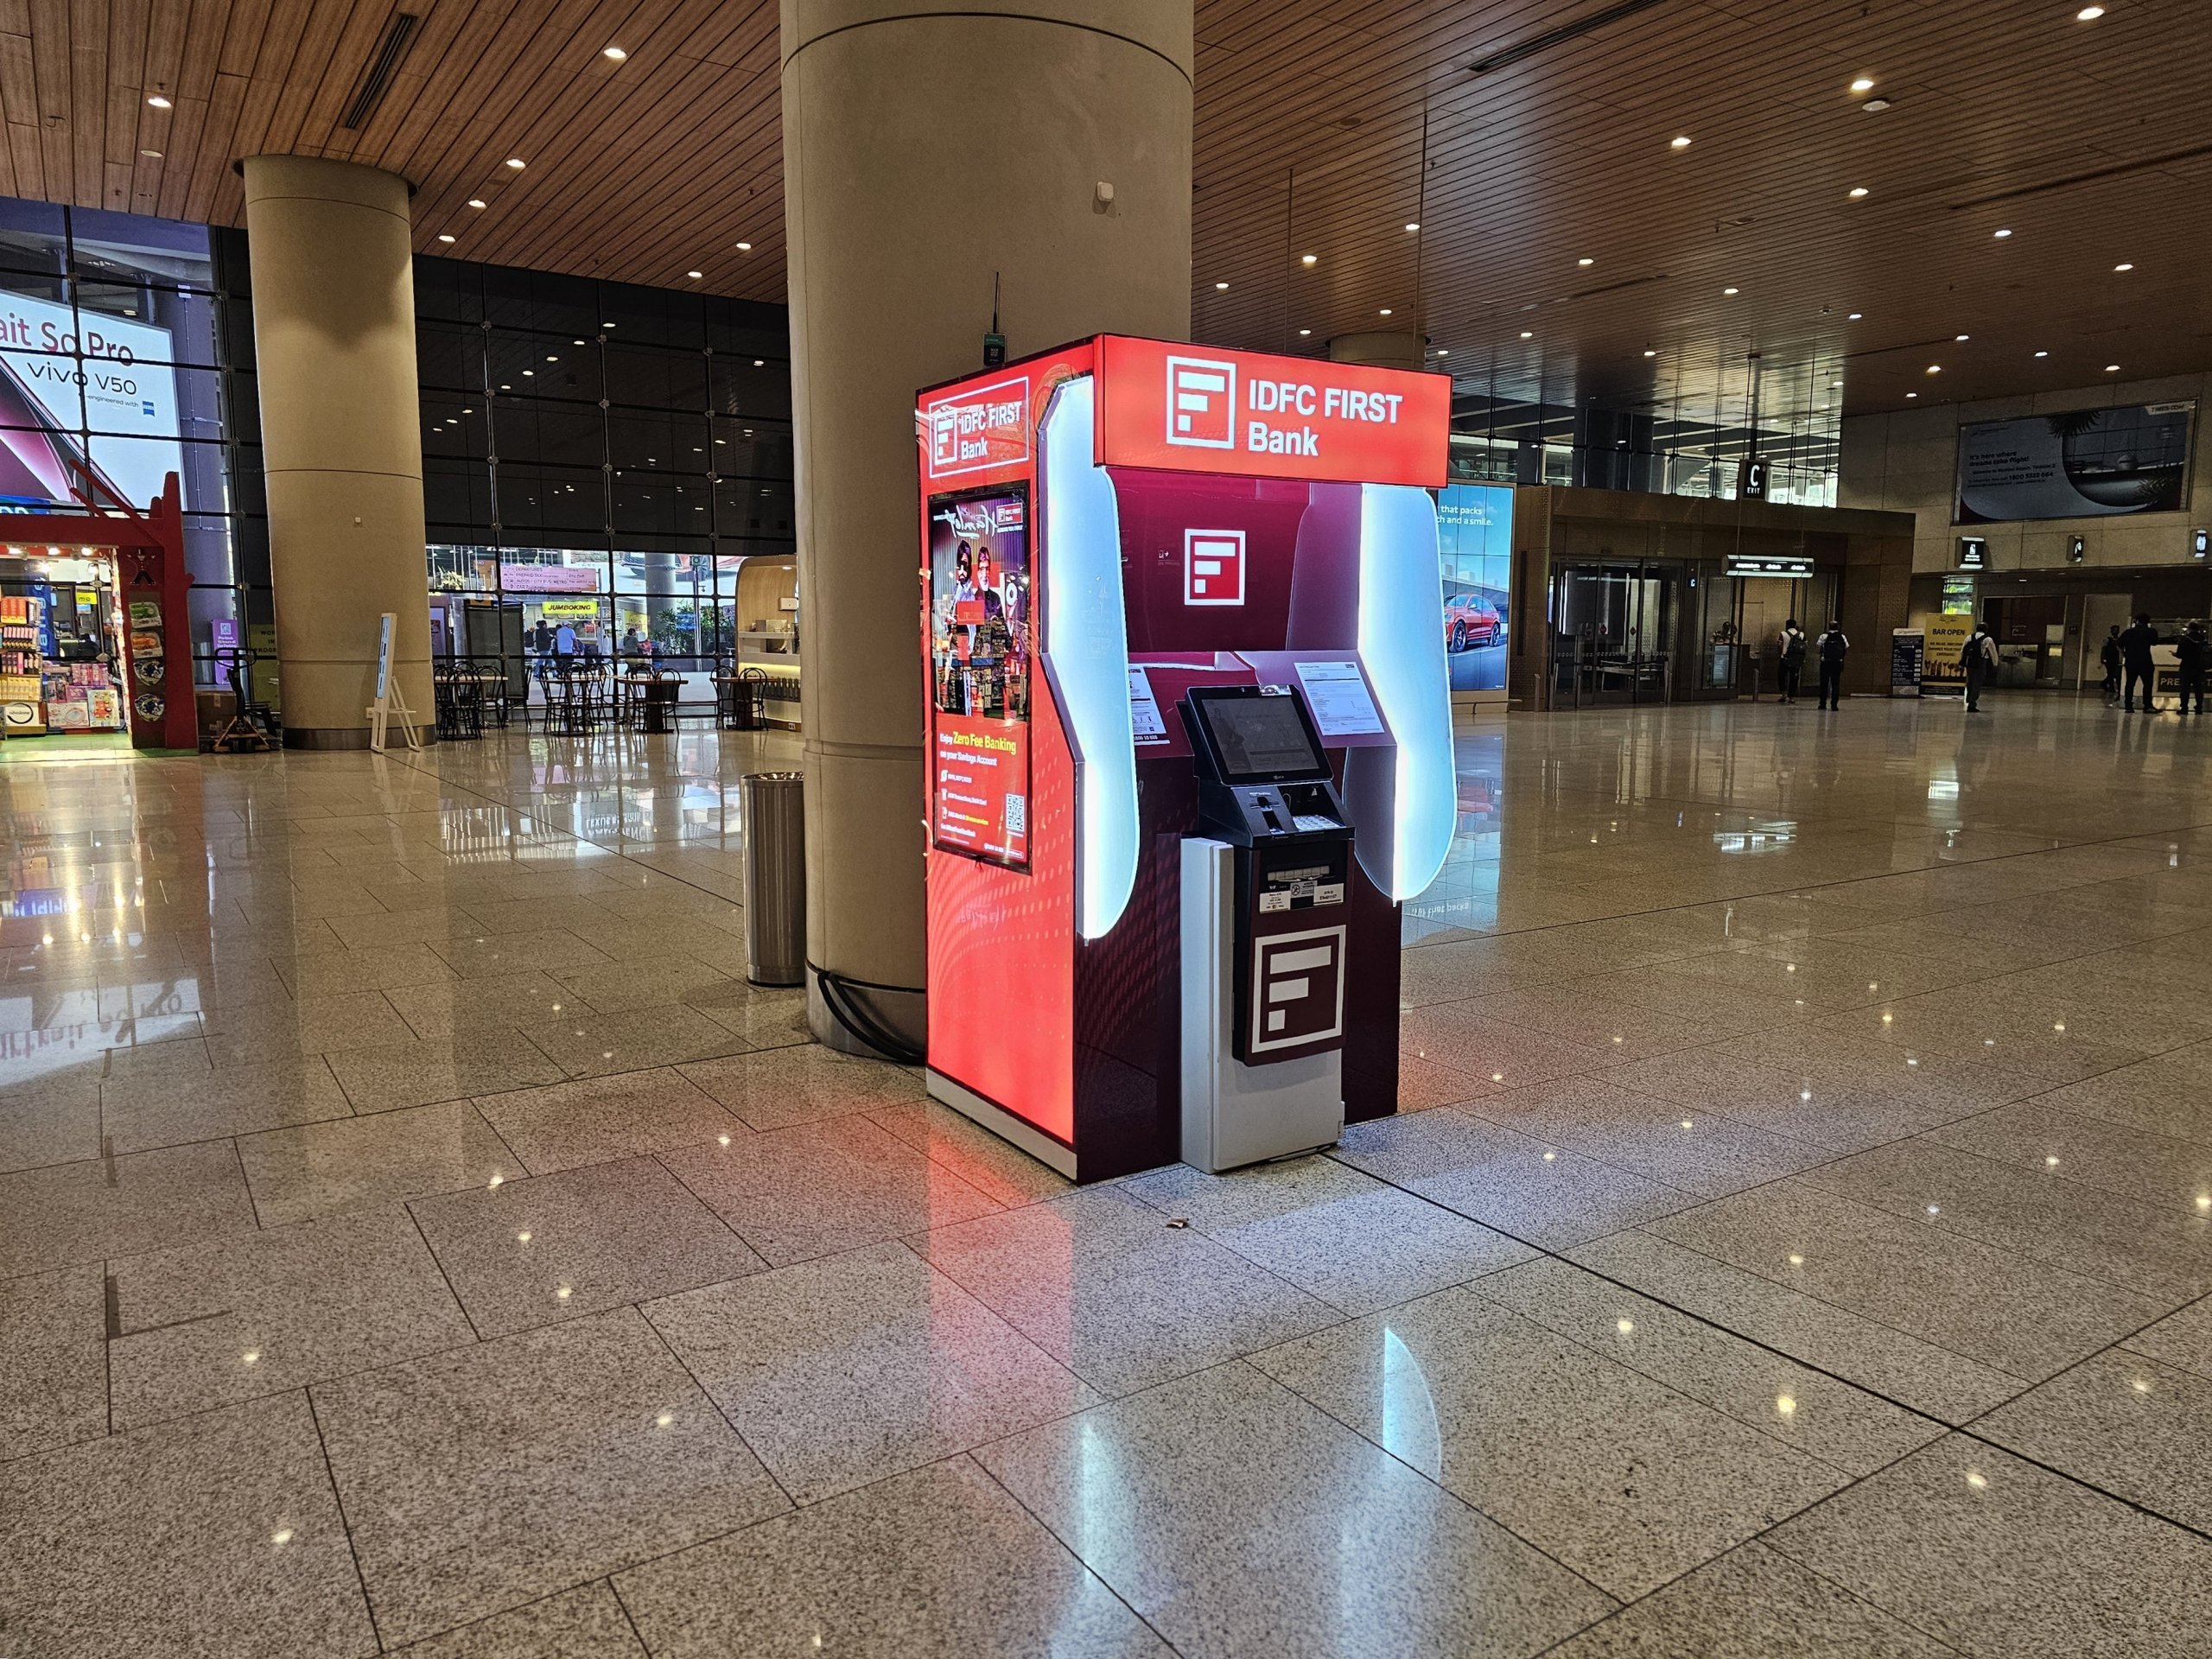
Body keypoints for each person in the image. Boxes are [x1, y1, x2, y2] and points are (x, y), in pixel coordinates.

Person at [2118, 613, 2162, 713]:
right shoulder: (2151, 631)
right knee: (2147, 684)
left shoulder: (2128, 632)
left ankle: (2128, 706)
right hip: (2145, 660)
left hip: (2131, 661)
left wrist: (2124, 654)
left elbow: (2119, 644)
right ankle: (2147, 706)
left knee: (2130, 683)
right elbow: (2155, 643)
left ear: (2136, 621)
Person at [1961, 619, 1999, 712]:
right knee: (1977, 683)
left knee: (1970, 681)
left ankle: (1969, 699)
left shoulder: (1969, 637)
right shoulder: (1988, 639)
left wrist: (1962, 663)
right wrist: (1995, 664)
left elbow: (1963, 650)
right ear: (1986, 629)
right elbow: (1993, 653)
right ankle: (1972, 703)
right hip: (1981, 663)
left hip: (1970, 662)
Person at [1814, 619, 1849, 709]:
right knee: (1835, 684)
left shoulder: (1823, 636)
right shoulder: (1842, 637)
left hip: (1826, 662)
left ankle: (1822, 703)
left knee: (1824, 683)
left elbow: (1818, 648)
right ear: (1838, 627)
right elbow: (1846, 648)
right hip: (1837, 662)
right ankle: (1834, 705)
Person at [2177, 622, 2209, 715]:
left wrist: (2175, 654)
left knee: (2185, 688)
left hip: (2186, 666)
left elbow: (2180, 654)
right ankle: (2199, 708)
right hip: (2199, 667)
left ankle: (2184, 708)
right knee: (2199, 689)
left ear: (2189, 629)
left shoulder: (2184, 639)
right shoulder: (2204, 639)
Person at [1777, 618, 1808, 703]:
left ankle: (1783, 694)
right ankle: (1792, 697)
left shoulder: (1783, 633)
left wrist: (1781, 654)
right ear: (1795, 625)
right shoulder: (1801, 634)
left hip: (1785, 658)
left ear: (1787, 625)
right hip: (1796, 659)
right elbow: (1805, 646)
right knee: (1794, 678)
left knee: (1782, 676)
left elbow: (1779, 645)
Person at [2099, 625, 2123, 704]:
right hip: (2109, 659)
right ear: (2111, 631)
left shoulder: (2119, 640)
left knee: (2114, 674)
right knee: (2110, 673)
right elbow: (2103, 649)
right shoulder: (2108, 640)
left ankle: (2105, 684)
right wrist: (2102, 658)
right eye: (2114, 630)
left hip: (2116, 659)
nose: (2116, 631)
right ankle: (2110, 687)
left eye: (2117, 630)